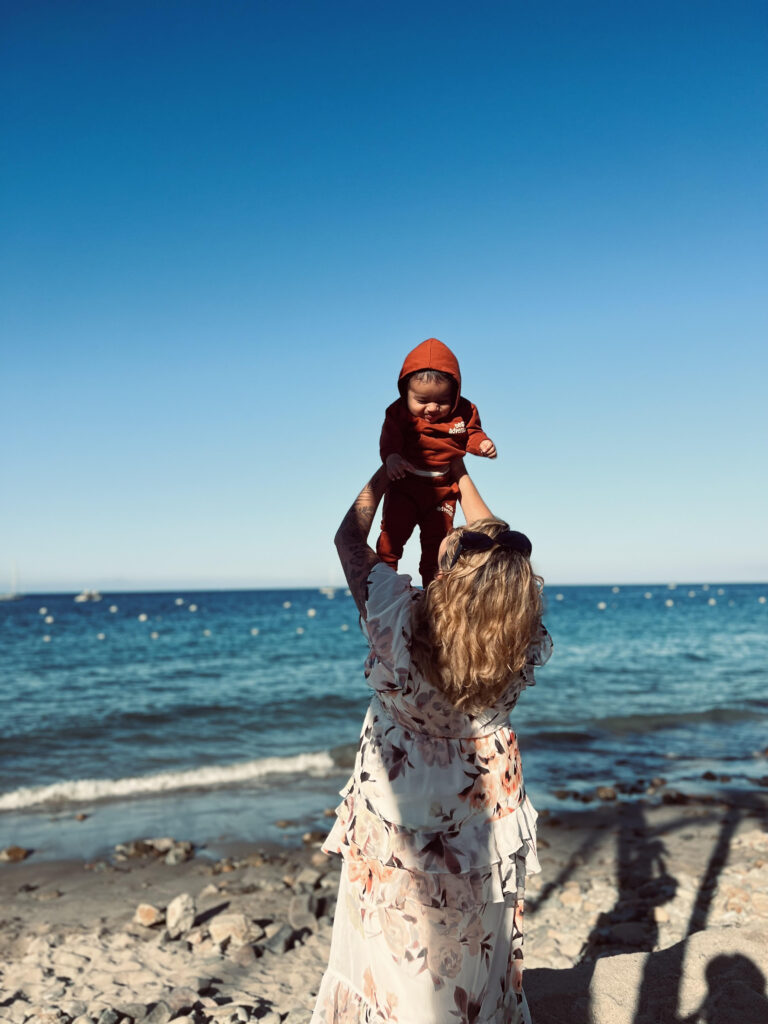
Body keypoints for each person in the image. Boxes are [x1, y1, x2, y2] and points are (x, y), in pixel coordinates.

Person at [311, 459, 551, 1024]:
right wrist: (458, 471)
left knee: (391, 940)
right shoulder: (518, 634)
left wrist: (384, 476)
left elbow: (348, 537)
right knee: (474, 935)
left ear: (457, 567)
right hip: (480, 813)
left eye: (456, 544)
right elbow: (500, 550)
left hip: (397, 811)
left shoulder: (397, 616)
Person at [377, 338, 497, 587]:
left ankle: (434, 590)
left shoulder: (465, 411)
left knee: (438, 543)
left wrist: (481, 444)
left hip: (443, 490)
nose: (432, 408)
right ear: (405, 393)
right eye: (421, 401)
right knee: (392, 535)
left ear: (454, 396)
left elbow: (472, 434)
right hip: (405, 484)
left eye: (442, 402)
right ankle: (383, 580)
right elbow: (389, 441)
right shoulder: (397, 413)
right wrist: (392, 458)